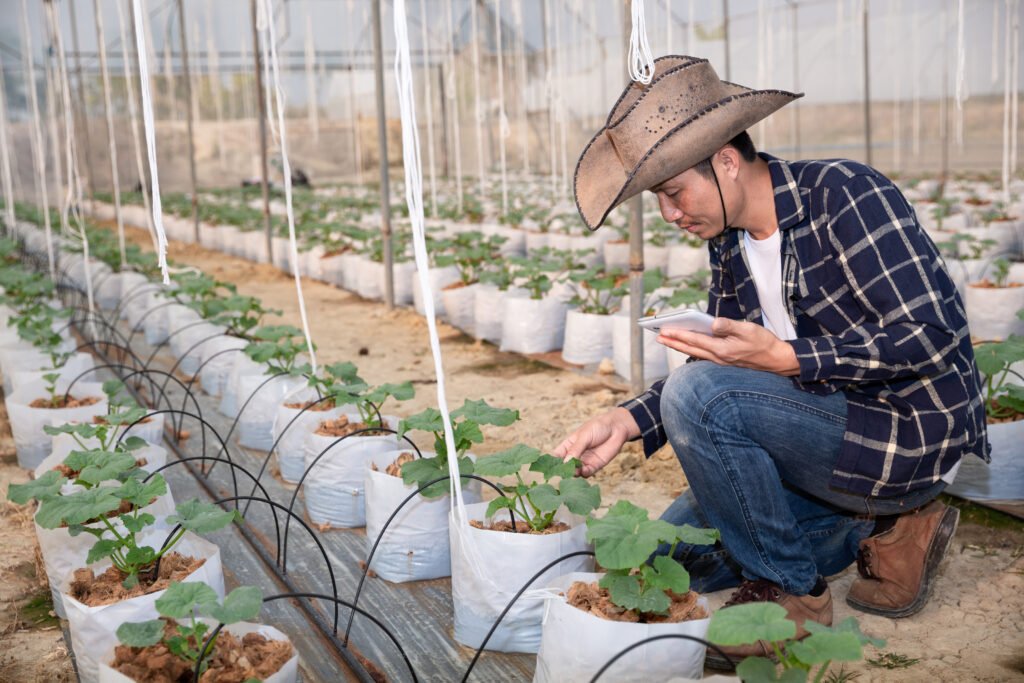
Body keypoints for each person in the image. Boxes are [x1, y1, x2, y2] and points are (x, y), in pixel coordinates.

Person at [556, 56, 990, 667]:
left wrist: (788, 356)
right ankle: (885, 529)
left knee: (701, 403)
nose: (670, 214)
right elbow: (723, 369)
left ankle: (794, 597)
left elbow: (933, 333)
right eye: (660, 199)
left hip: (901, 432)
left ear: (727, 162)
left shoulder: (846, 194)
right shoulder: (730, 244)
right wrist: (628, 422)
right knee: (669, 559)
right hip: (819, 434)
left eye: (676, 192)